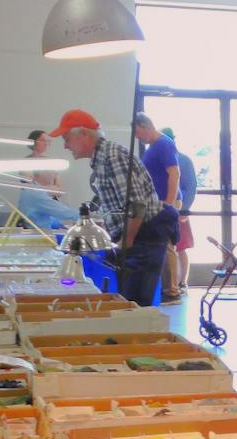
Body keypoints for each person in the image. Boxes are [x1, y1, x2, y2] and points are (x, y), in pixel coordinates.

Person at [50, 109, 172, 305]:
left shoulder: (112, 157)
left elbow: (136, 205)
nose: (65, 145)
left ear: (84, 134)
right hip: (135, 236)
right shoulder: (101, 159)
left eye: (67, 139)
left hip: (142, 237)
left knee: (134, 305)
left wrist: (126, 242)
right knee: (125, 301)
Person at [134, 114, 183, 302]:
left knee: (166, 245)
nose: (138, 137)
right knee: (160, 245)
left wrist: (168, 204)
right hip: (156, 202)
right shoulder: (153, 147)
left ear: (146, 126)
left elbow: (174, 173)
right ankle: (165, 288)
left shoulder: (164, 144)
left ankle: (172, 291)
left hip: (165, 202)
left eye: (138, 132)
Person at [15, 129, 75, 230]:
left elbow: (59, 190)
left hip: (51, 207)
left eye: (48, 141)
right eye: (43, 140)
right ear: (33, 142)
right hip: (34, 210)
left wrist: (44, 188)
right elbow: (33, 189)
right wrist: (50, 188)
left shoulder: (52, 162)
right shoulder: (26, 162)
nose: (46, 143)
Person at [168, 128, 197, 295]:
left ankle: (182, 282)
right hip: (166, 209)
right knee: (170, 248)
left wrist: (185, 209)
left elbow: (191, 186)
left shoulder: (184, 160)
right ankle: (171, 282)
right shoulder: (160, 159)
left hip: (179, 210)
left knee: (181, 247)